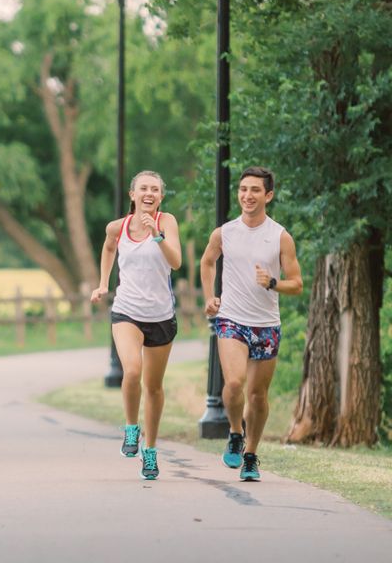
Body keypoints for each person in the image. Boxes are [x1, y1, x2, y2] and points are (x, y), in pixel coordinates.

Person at [200, 166, 303, 482]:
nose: (247, 195)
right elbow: (207, 261)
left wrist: (272, 282)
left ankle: (251, 455)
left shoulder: (280, 236)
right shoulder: (225, 232)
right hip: (231, 319)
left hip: (266, 325)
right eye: (243, 189)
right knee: (233, 384)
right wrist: (209, 297)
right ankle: (234, 431)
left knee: (258, 396)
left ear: (268, 195)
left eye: (255, 190)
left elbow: (297, 283)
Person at [91, 170, 182, 480]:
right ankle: (132, 428)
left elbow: (176, 262)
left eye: (155, 189)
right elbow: (107, 248)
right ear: (132, 195)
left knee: (154, 388)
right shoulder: (117, 227)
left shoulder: (167, 222)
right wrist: (103, 283)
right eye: (143, 188)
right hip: (127, 311)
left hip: (160, 316)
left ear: (160, 196)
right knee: (132, 370)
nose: (149, 193)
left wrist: (157, 234)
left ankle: (151, 450)